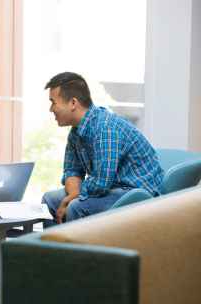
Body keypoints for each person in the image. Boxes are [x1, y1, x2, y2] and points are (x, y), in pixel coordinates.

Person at [42, 72, 164, 225]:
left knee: (75, 207)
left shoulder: (105, 128)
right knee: (49, 200)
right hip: (110, 188)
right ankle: (51, 249)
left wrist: (73, 199)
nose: (51, 109)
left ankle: (75, 249)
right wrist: (72, 194)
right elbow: (72, 170)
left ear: (73, 103)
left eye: (53, 102)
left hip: (135, 192)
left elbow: (101, 183)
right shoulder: (76, 132)